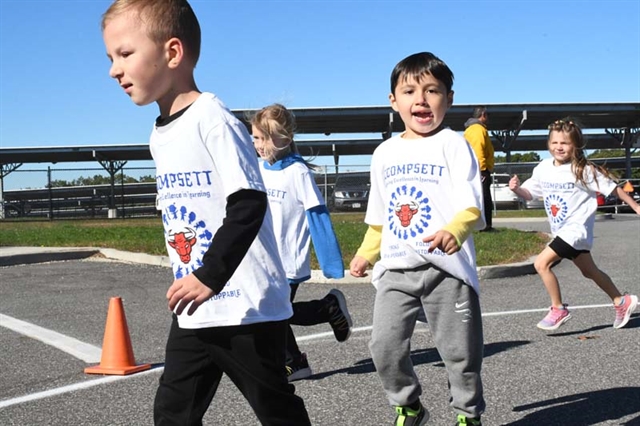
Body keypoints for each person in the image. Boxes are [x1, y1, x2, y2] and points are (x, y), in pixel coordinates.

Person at [101, 1, 311, 425]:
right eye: (110, 58)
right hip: (196, 310)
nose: (114, 70)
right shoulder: (160, 134)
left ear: (172, 53)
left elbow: (248, 204)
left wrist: (209, 276)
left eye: (125, 54)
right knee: (173, 413)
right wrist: (195, 281)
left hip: (243, 307)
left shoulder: (213, 119)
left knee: (275, 408)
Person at [349, 52, 485, 426]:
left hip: (447, 270)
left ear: (449, 99)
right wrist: (366, 254)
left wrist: (454, 230)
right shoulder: (384, 153)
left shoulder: (454, 144)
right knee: (384, 347)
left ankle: (467, 414)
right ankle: (409, 406)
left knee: (460, 353)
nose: (421, 99)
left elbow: (471, 206)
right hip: (396, 270)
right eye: (409, 91)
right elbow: (380, 216)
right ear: (394, 101)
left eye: (432, 90)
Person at [249, 103, 353, 382]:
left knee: (274, 314)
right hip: (264, 258)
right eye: (255, 138)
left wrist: (331, 264)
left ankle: (325, 310)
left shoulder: (298, 173)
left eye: (263, 138)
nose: (258, 145)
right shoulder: (258, 169)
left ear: (284, 138)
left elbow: (317, 218)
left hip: (288, 261)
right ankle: (296, 359)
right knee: (273, 314)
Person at [509, 118, 640, 331]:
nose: (559, 147)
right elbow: (530, 193)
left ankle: (558, 308)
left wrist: (635, 206)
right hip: (560, 230)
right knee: (590, 271)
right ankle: (621, 301)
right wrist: (516, 190)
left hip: (576, 230)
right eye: (554, 143)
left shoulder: (583, 170)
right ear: (548, 144)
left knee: (541, 264)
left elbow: (613, 188)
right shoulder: (543, 168)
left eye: (565, 143)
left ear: (575, 146)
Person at [464, 106, 495, 231]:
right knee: (485, 198)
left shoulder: (470, 130)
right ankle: (486, 225)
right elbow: (478, 150)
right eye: (487, 115)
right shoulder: (478, 129)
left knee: (479, 197)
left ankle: (481, 225)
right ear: (483, 115)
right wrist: (482, 170)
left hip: (475, 169)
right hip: (480, 170)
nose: (487, 118)